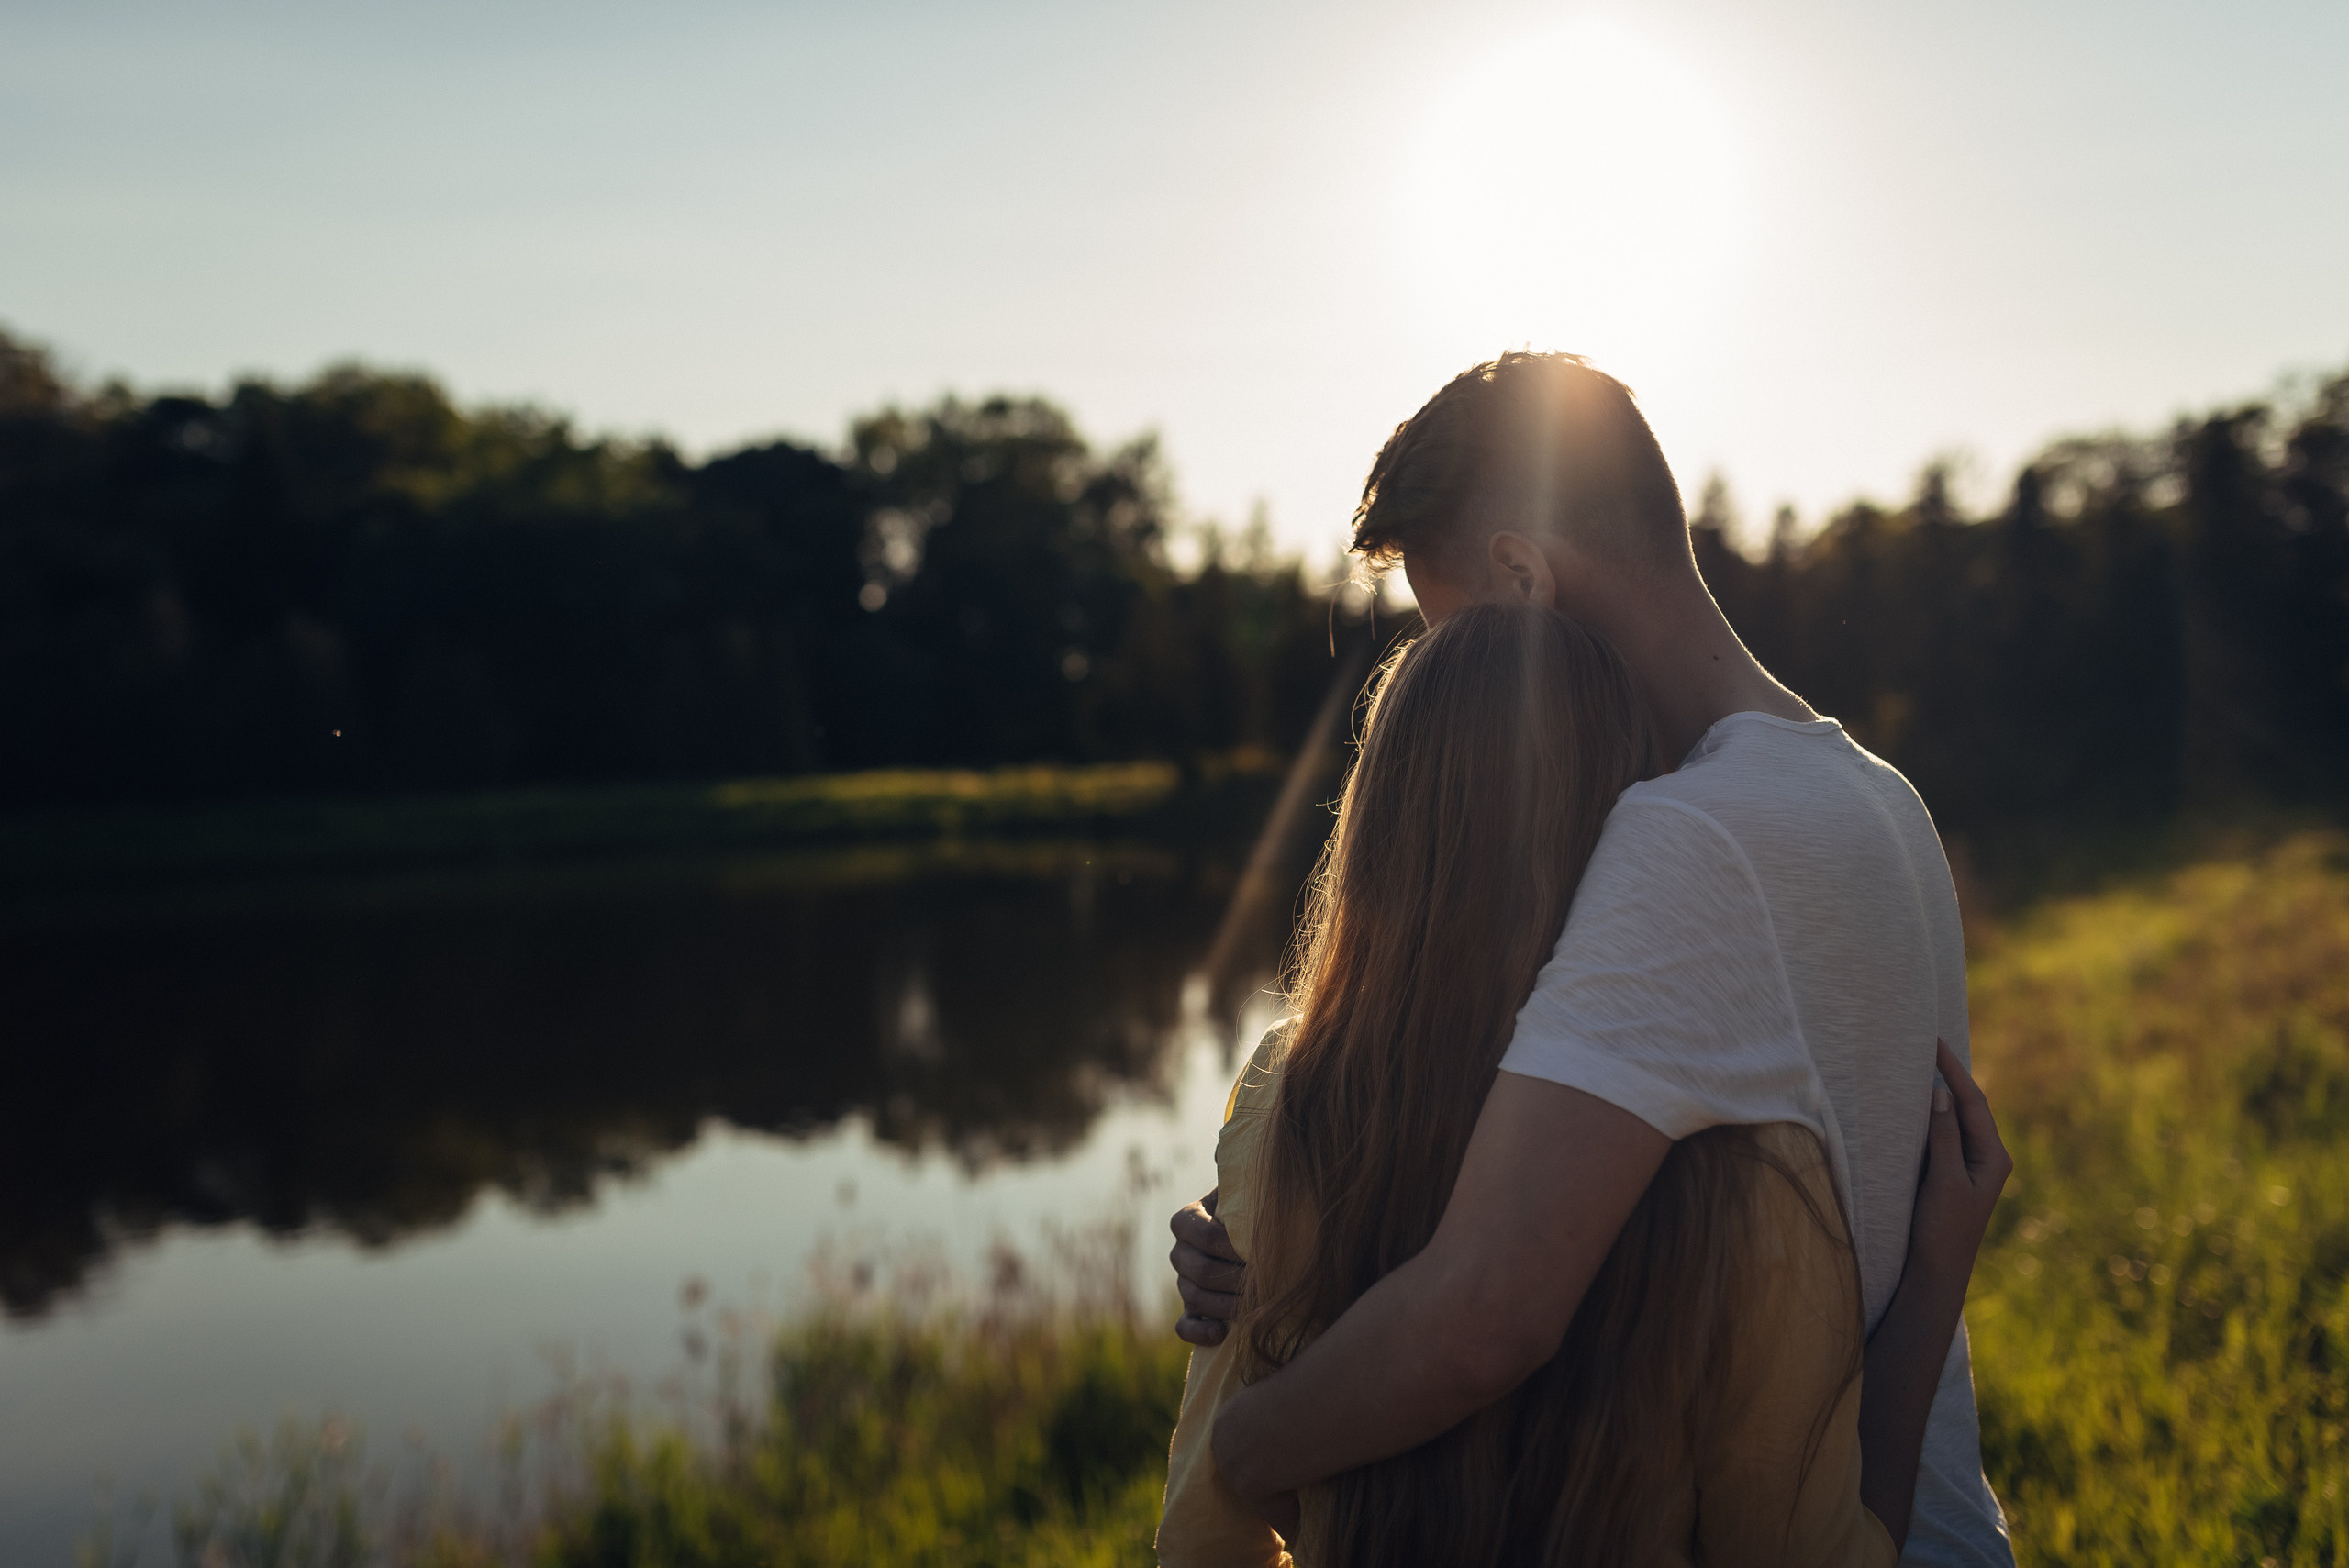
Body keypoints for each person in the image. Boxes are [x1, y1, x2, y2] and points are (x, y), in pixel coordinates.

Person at [1169, 353, 2016, 1564]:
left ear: (1521, 574)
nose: (1454, 679)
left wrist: (1246, 1447)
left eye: (1449, 630)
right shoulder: (1870, 791)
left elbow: (1486, 1312)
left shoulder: (1691, 839)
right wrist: (1276, 1225)